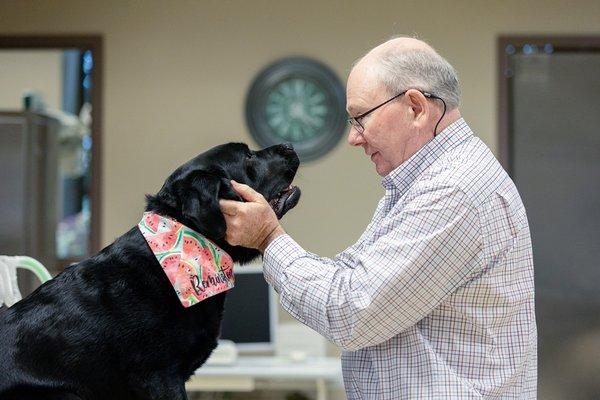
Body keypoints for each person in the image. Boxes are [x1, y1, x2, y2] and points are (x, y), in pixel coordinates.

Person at [219, 36, 537, 399]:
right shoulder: (419, 184)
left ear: (416, 107)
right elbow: (350, 278)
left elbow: (350, 312)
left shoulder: (452, 191)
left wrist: (269, 239)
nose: (354, 138)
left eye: (361, 118)